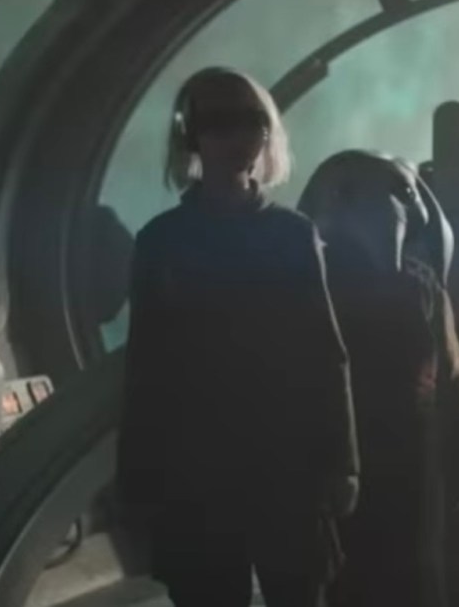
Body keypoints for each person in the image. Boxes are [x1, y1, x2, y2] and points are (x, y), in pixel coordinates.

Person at [117, 67, 358, 607]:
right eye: (222, 123)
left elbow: (324, 356)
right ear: (192, 136)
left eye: (250, 122)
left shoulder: (290, 235)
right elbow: (147, 372)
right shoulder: (162, 243)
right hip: (204, 476)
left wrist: (341, 465)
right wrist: (137, 481)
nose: (240, 137)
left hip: (278, 469)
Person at [297, 151, 459, 607]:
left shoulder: (418, 291)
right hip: (382, 485)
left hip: (379, 484)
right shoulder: (423, 290)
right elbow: (457, 392)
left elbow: (455, 393)